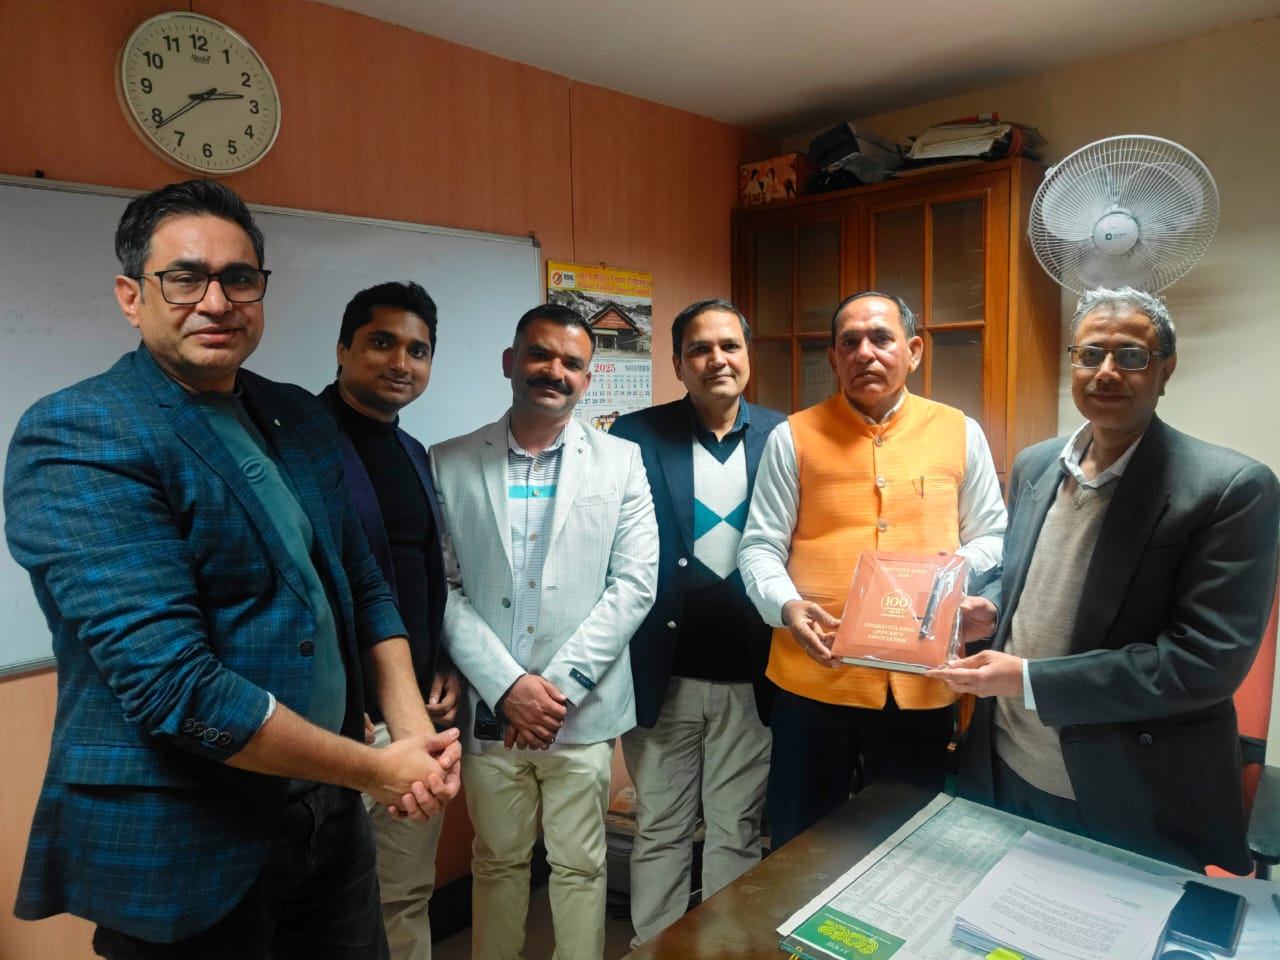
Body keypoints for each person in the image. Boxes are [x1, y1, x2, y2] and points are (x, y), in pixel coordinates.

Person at [6, 179, 461, 959]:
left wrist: (412, 735)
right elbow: (174, 686)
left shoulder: (298, 415)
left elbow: (362, 585)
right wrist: (374, 769)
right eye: (184, 277)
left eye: (239, 278)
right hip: (189, 836)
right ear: (131, 296)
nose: (216, 301)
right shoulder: (81, 432)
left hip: (328, 821)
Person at [930, 287, 1280, 873]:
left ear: (1166, 369)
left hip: (1130, 794)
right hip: (1004, 766)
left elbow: (1203, 664)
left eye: (1131, 355)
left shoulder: (1232, 489)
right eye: (1090, 354)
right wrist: (988, 607)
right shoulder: (1036, 464)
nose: (1107, 371)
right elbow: (1023, 575)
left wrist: (1030, 680)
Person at [428, 303, 657, 960]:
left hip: (580, 711)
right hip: (490, 713)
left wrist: (551, 691)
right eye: (539, 354)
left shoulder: (622, 462)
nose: (553, 371)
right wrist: (508, 688)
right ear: (511, 361)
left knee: (581, 865)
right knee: (497, 861)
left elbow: (634, 584)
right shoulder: (448, 461)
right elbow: (442, 586)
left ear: (587, 378)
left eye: (571, 362)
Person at [738, 291, 1006, 849]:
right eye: (850, 342)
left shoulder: (960, 431)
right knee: (800, 843)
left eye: (881, 338)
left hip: (920, 682)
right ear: (834, 359)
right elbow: (760, 545)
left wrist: (947, 579)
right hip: (813, 679)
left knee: (907, 842)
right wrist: (787, 607)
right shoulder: (793, 436)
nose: (865, 352)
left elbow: (993, 536)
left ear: (913, 351)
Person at [609, 299, 784, 945]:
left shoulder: (785, 436)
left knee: (737, 830)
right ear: (678, 362)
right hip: (663, 678)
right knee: (660, 828)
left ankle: (724, 951)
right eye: (700, 349)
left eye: (729, 346)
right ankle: (653, 948)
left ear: (748, 355)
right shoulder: (633, 435)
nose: (717, 360)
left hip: (754, 678)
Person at [319, 280, 460, 960]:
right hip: (338, 726)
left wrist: (443, 662)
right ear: (343, 348)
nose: (401, 362)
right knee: (328, 908)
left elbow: (424, 577)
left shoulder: (411, 452)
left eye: (417, 350)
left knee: (404, 895)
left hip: (414, 722)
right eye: (382, 343)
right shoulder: (299, 447)